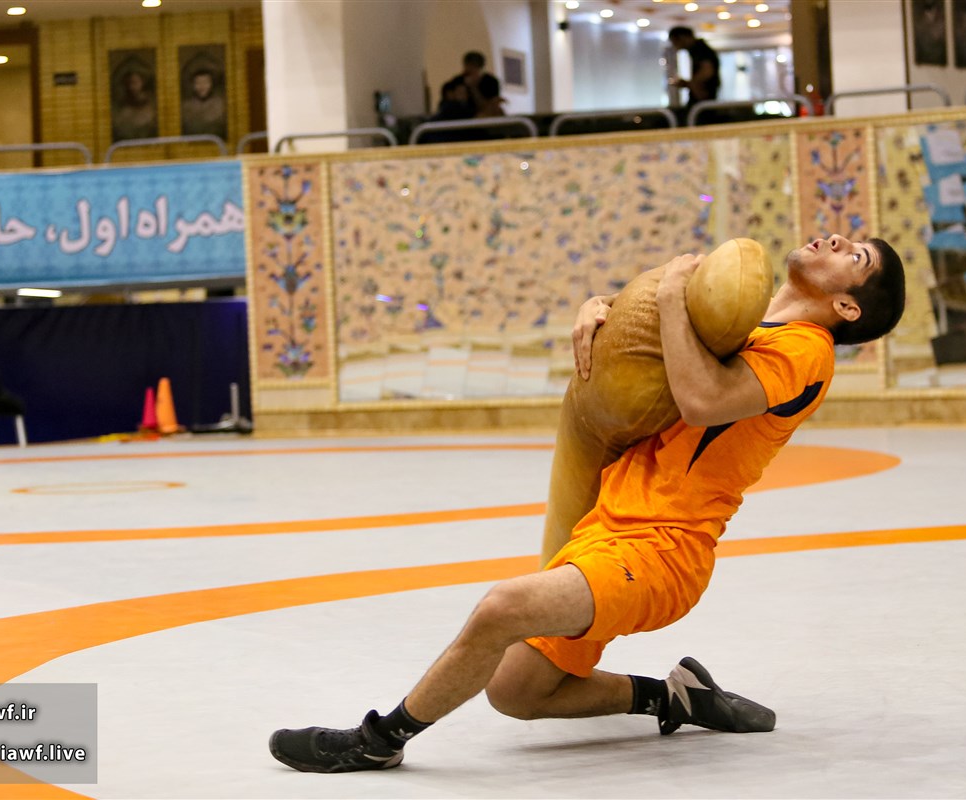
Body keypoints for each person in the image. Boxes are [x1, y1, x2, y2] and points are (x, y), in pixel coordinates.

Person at [269, 234, 906, 774]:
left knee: (501, 608)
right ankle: (672, 698)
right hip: (610, 520)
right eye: (848, 238)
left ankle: (378, 741)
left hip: (662, 551)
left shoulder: (806, 350)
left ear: (847, 306)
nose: (837, 240)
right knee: (516, 691)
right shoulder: (743, 323)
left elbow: (702, 401)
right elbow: (648, 361)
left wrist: (667, 300)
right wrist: (601, 316)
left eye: (856, 256)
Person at [439, 50, 505, 119]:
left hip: (482, 116)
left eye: (473, 67)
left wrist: (473, 87)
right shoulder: (458, 81)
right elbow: (446, 99)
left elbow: (489, 105)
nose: (469, 69)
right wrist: (457, 97)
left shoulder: (491, 82)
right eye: (468, 66)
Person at [668, 26, 721, 109]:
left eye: (674, 41)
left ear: (682, 37)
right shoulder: (698, 49)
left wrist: (693, 85)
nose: (674, 45)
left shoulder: (700, 49)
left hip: (703, 99)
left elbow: (707, 71)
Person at [111, 70, 157, 142]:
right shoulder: (122, 105)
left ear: (142, 82)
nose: (131, 87)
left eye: (135, 82)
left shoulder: (152, 101)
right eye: (128, 83)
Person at [181, 68, 227, 139]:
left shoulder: (221, 105)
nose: (202, 86)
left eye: (205, 82)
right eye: (198, 83)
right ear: (193, 85)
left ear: (212, 84)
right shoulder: (186, 107)